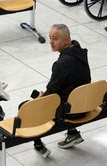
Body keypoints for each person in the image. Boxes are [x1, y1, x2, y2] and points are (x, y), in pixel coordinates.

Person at [32, 24, 91, 158]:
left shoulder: (61, 64)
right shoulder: (80, 52)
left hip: (72, 112)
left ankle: (38, 145)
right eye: (50, 38)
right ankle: (72, 133)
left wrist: (40, 98)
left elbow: (51, 92)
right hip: (85, 103)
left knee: (27, 107)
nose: (51, 42)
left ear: (66, 40)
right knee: (68, 92)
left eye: (55, 39)